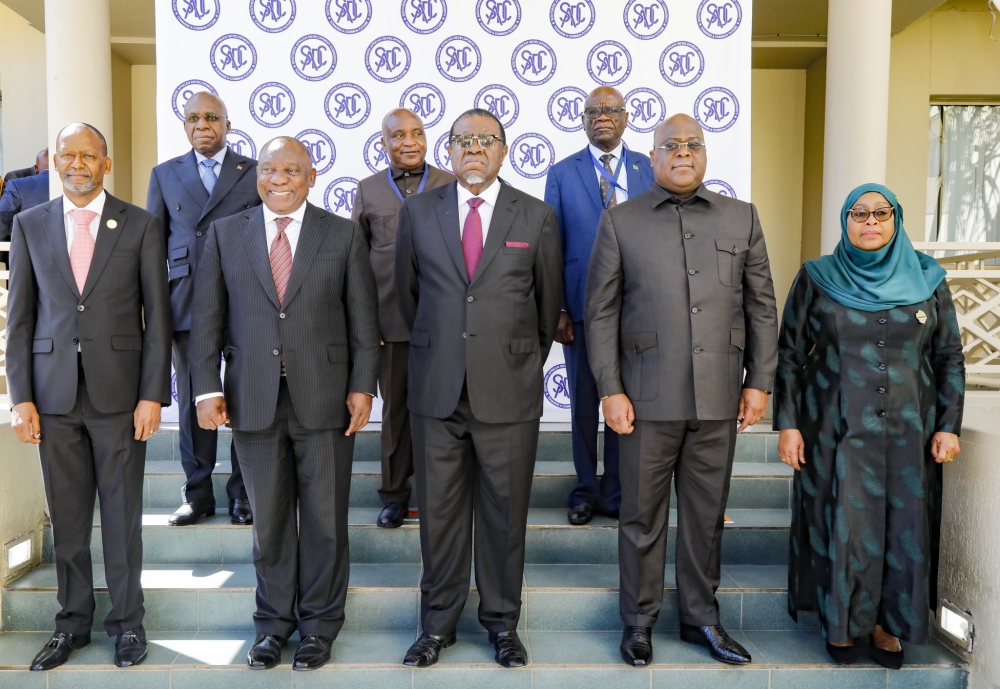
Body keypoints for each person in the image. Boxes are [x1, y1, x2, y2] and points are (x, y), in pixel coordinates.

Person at [586, 114, 778, 667]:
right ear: (652, 156)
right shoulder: (621, 221)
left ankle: (700, 620)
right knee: (641, 516)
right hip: (643, 400)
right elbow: (600, 312)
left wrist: (760, 381)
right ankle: (639, 622)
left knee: (704, 514)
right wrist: (610, 389)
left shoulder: (740, 217)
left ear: (705, 154)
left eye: (694, 144)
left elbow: (761, 304)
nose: (684, 153)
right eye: (672, 145)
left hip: (718, 396)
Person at [190, 137, 380, 671]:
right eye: (269, 169)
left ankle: (319, 627)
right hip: (250, 400)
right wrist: (206, 389)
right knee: (268, 522)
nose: (278, 178)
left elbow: (364, 321)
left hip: (323, 401)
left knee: (323, 522)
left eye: (290, 170)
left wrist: (363, 386)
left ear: (312, 176)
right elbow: (206, 316)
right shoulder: (227, 234)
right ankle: (272, 626)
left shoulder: (341, 235)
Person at [394, 108, 562, 669]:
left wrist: (508, 361)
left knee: (504, 515)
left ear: (503, 151)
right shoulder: (417, 212)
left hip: (508, 392)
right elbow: (407, 297)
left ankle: (502, 626)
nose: (473, 149)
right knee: (439, 515)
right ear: (449, 150)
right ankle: (435, 627)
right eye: (463, 140)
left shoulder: (535, 216)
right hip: (437, 390)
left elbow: (546, 309)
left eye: (485, 140)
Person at [774, 183, 965, 669]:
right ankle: (842, 624)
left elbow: (948, 356)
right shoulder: (817, 277)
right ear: (845, 221)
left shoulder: (928, 279)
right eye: (859, 214)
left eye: (881, 213)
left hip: (910, 431)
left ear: (897, 219)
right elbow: (791, 355)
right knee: (847, 525)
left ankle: (886, 625)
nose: (871, 222)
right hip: (834, 430)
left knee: (901, 528)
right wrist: (788, 424)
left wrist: (949, 425)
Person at [6, 123, 171, 670]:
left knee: (121, 520)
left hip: (121, 398)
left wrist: (153, 395)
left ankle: (127, 624)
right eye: (68, 155)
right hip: (51, 399)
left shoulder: (142, 224)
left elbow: (158, 319)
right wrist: (20, 397)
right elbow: (21, 318)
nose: (78, 163)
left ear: (107, 162)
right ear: (55, 161)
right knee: (69, 522)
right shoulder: (31, 224)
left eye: (88, 155)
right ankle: (71, 624)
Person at [147, 92, 260, 527]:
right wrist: (155, 311)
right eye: (193, 118)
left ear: (228, 125)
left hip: (246, 300)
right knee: (197, 397)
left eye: (212, 117)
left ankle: (243, 493)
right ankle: (197, 495)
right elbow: (152, 247)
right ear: (184, 126)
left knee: (245, 400)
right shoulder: (164, 174)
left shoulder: (253, 171)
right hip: (186, 301)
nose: (202, 125)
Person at [544, 86, 654, 525]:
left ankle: (619, 490)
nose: (601, 116)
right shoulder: (561, 172)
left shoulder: (650, 167)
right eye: (592, 111)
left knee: (632, 404)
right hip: (583, 309)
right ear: (583, 119)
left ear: (626, 117)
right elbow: (550, 246)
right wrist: (557, 308)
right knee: (586, 404)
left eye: (610, 110)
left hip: (643, 310)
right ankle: (586, 489)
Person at [352, 108, 453, 529]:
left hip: (446, 324)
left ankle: (440, 496)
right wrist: (364, 325)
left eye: (416, 133)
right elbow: (356, 263)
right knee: (396, 414)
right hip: (390, 324)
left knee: (444, 413)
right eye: (397, 136)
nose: (408, 142)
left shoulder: (450, 183)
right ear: (384, 143)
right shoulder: (369, 190)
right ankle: (394, 495)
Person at [0, 149, 49, 240]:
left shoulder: (17, 185)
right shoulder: (79, 184)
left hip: (28, 248)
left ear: (36, 169)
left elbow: (3, 216)